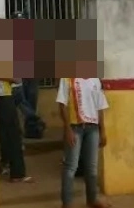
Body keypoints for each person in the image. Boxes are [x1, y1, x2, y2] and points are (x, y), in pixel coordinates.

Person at [56, 77, 110, 208]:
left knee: (91, 168)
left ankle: (92, 199)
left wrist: (102, 130)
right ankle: (67, 203)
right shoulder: (67, 79)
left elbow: (100, 107)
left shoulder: (95, 79)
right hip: (75, 127)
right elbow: (62, 105)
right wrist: (67, 129)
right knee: (70, 167)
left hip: (92, 128)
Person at [0, 78, 34, 183]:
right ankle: (17, 173)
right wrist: (14, 79)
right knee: (13, 136)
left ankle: (0, 167)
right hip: (4, 95)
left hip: (1, 95)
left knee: (1, 135)